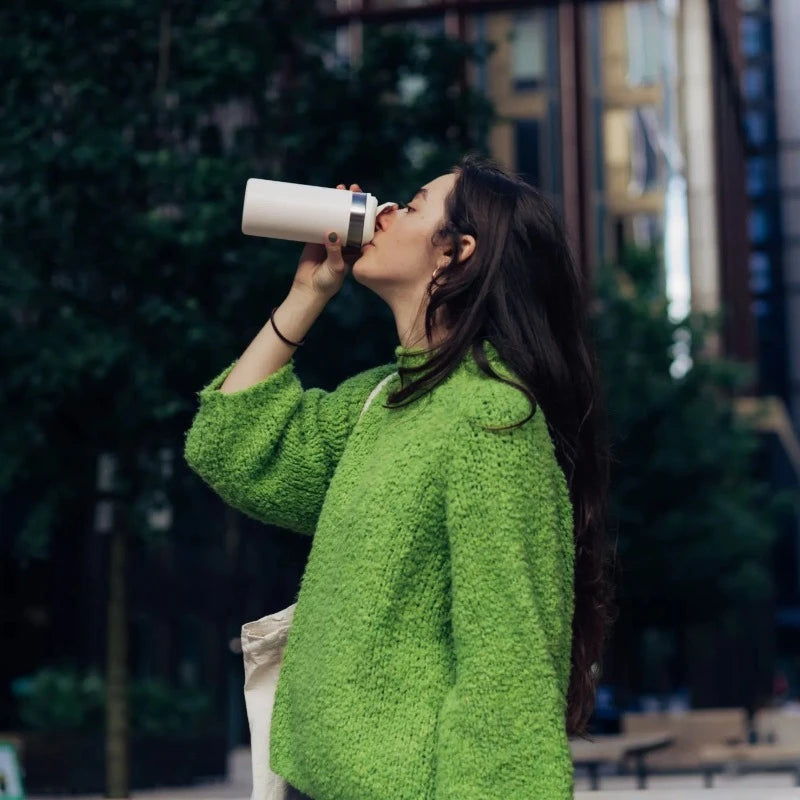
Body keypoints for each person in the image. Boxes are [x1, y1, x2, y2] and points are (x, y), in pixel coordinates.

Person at [184, 155, 614, 799]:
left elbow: (508, 668)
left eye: (411, 206)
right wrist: (307, 294)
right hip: (314, 780)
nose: (384, 211)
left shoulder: (492, 419)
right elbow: (233, 446)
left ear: (455, 252)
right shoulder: (383, 400)